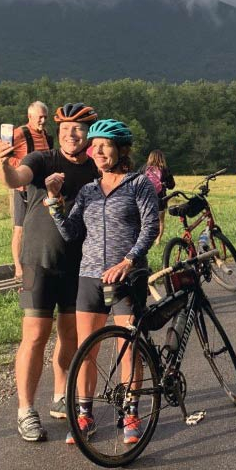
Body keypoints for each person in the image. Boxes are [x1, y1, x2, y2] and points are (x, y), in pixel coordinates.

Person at [0, 102, 98, 442]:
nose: (71, 135)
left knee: (71, 336)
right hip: (40, 260)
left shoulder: (96, 167)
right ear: (58, 132)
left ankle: (60, 395)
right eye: (65, 129)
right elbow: (14, 179)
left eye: (77, 129)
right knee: (35, 336)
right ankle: (25, 410)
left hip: (78, 264)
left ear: (88, 133)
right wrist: (2, 163)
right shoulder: (42, 160)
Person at [46, 119, 160, 445]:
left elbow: (150, 228)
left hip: (128, 276)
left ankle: (131, 411)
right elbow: (71, 233)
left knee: (128, 347)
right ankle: (85, 415)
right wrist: (55, 202)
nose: (96, 151)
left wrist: (129, 261)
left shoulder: (139, 184)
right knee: (88, 349)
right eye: (93, 145)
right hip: (90, 276)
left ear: (120, 149)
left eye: (104, 145)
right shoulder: (89, 191)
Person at [0, 101, 53, 280]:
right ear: (29, 116)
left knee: (42, 227)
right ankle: (19, 270)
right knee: (20, 229)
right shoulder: (21, 133)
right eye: (40, 117)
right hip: (22, 189)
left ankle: (39, 265)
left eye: (45, 117)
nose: (43, 120)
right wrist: (17, 166)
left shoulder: (46, 135)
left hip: (40, 190)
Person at [143, 149, 176, 239]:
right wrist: (164, 184)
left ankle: (146, 237)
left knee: (146, 219)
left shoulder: (144, 168)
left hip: (146, 198)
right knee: (161, 221)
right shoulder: (165, 169)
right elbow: (172, 185)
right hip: (161, 198)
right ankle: (158, 240)